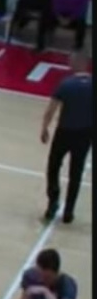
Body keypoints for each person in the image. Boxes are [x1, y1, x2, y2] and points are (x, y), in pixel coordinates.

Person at [40, 51, 92, 223]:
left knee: (53, 166)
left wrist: (44, 128)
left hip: (64, 132)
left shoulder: (66, 84)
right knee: (76, 172)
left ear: (77, 63)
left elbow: (51, 109)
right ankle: (69, 211)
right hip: (85, 134)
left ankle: (53, 202)